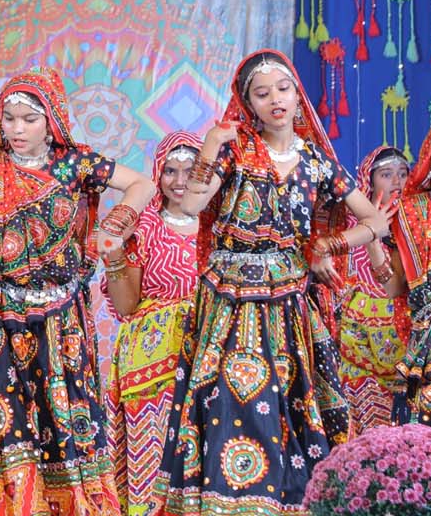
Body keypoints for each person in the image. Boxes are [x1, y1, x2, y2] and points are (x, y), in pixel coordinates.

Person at [154, 49, 387, 515]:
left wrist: (329, 245)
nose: (275, 99)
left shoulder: (317, 162)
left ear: (298, 97)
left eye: (283, 89)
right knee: (226, 400)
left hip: (287, 303)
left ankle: (286, 503)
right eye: (262, 94)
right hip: (230, 302)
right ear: (249, 105)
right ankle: (226, 502)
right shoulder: (236, 151)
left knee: (289, 402)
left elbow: (375, 222)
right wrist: (209, 146)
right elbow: (194, 204)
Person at [0, 67, 152, 514]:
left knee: (60, 420)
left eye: (29, 119)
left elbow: (142, 184)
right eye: (9, 119)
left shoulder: (74, 163)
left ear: (52, 120)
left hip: (56, 318)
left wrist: (116, 225)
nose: (17, 129)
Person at [101, 131, 202, 514]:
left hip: (206, 355)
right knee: (153, 454)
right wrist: (113, 256)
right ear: (157, 174)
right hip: (149, 362)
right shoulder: (145, 226)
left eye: (190, 171)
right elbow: (126, 306)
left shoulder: (221, 227)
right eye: (170, 171)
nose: (179, 181)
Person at [380, 114, 431, 431]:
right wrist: (373, 240)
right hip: (429, 348)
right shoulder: (407, 212)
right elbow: (394, 288)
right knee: (426, 439)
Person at [336, 146, 410, 430]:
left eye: (403, 173)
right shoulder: (348, 225)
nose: (397, 181)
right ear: (369, 181)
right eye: (386, 174)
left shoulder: (416, 221)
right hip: (358, 354)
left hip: (404, 344)